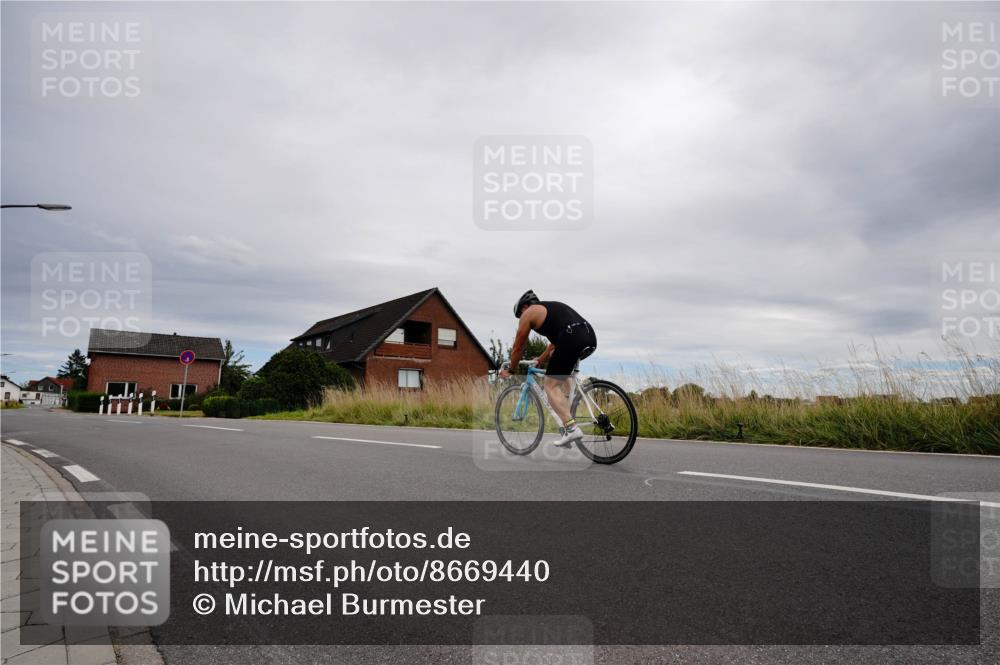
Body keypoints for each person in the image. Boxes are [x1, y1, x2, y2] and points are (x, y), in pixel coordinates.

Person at [499, 290, 597, 447]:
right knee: (560, 373)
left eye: (520, 315)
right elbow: (554, 344)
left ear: (525, 307)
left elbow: (518, 346)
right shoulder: (551, 311)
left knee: (550, 385)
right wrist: (540, 359)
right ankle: (567, 418)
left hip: (571, 337)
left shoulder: (530, 313)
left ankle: (571, 428)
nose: (521, 319)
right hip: (589, 336)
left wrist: (511, 368)